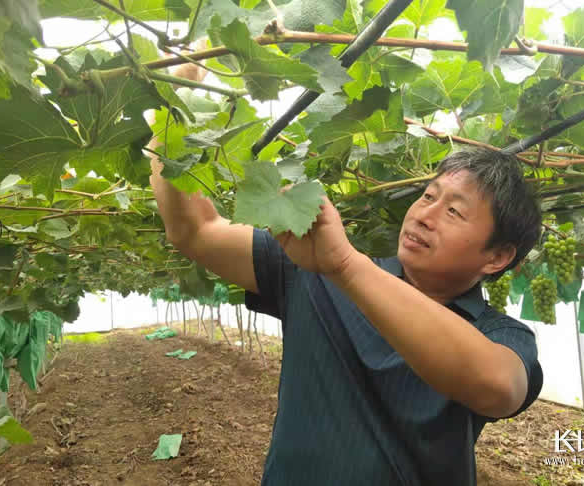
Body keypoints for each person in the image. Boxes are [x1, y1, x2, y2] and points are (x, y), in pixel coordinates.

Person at [150, 60, 543, 486]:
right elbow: (195, 230)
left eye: (453, 211)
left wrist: (345, 266)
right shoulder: (309, 269)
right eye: (428, 195)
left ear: (497, 257)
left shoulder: (499, 334)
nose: (425, 215)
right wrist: (174, 112)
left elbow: (497, 388)